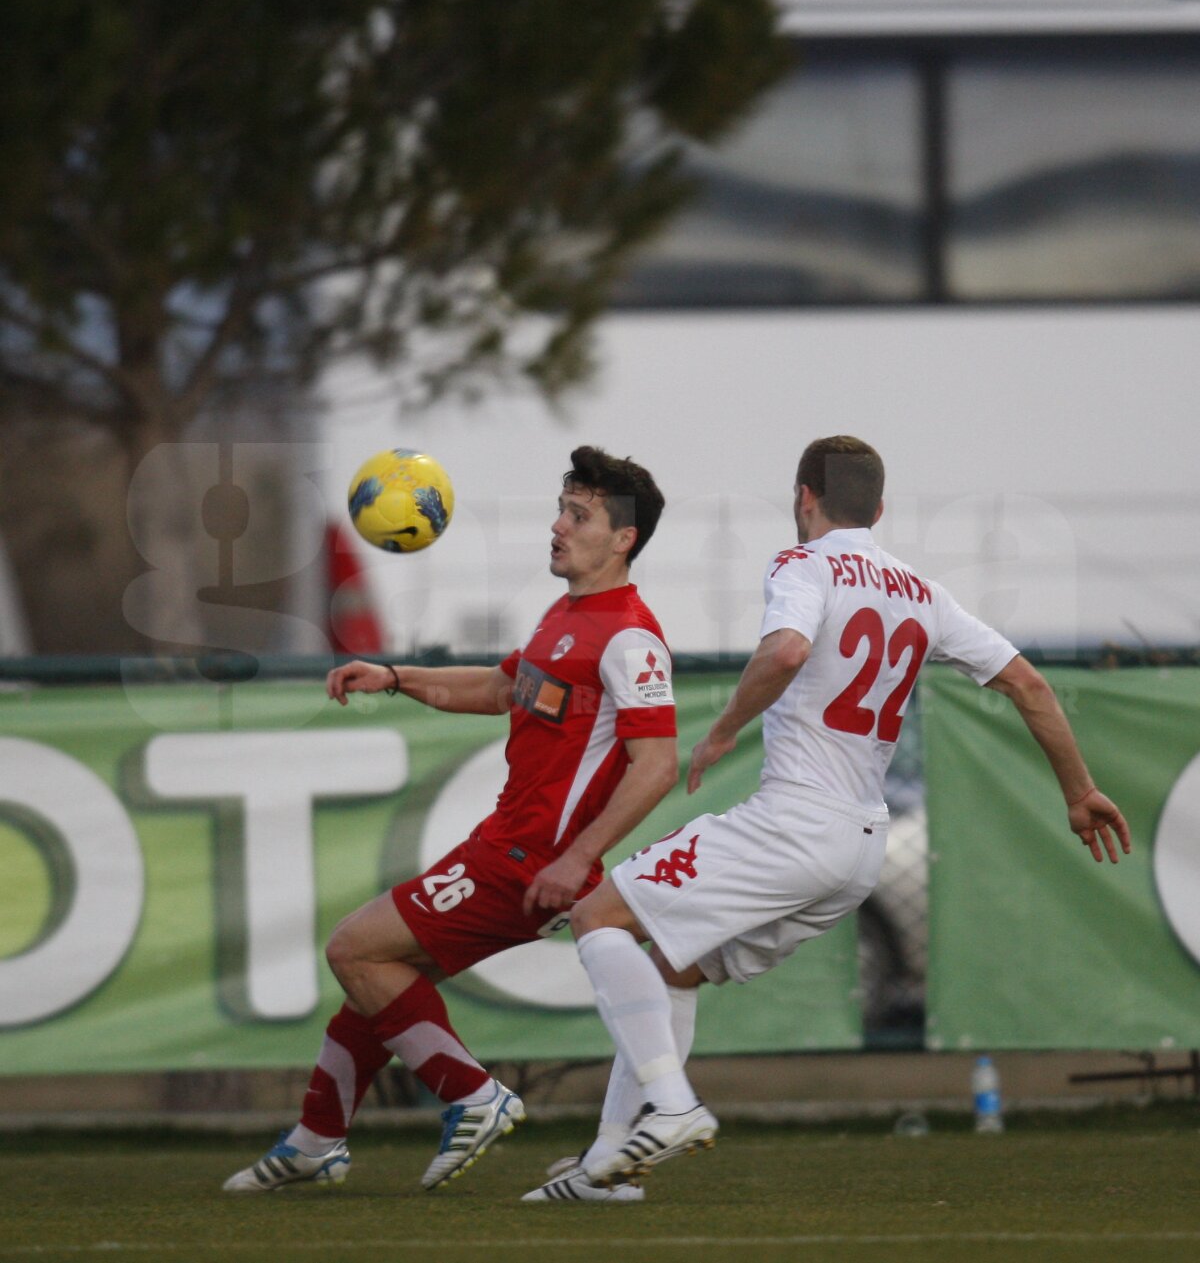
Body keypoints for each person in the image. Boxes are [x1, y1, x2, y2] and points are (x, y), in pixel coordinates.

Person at [524, 434, 1131, 1201]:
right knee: (672, 965)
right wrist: (1078, 791)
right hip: (859, 849)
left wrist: (722, 728)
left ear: (802, 498)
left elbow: (783, 653)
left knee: (596, 916)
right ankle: (610, 1161)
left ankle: (674, 1107)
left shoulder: (800, 564)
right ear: (876, 509)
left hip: (795, 824)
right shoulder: (921, 591)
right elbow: (1032, 687)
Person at [223, 446, 678, 1195]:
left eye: (579, 514)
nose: (558, 526)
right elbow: (501, 687)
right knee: (382, 984)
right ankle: (316, 1138)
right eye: (562, 508)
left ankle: (473, 1093)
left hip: (532, 859)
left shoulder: (629, 635)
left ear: (623, 538)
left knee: (355, 950)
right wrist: (397, 676)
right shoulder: (564, 616)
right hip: (509, 844)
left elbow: (655, 764)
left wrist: (574, 860)